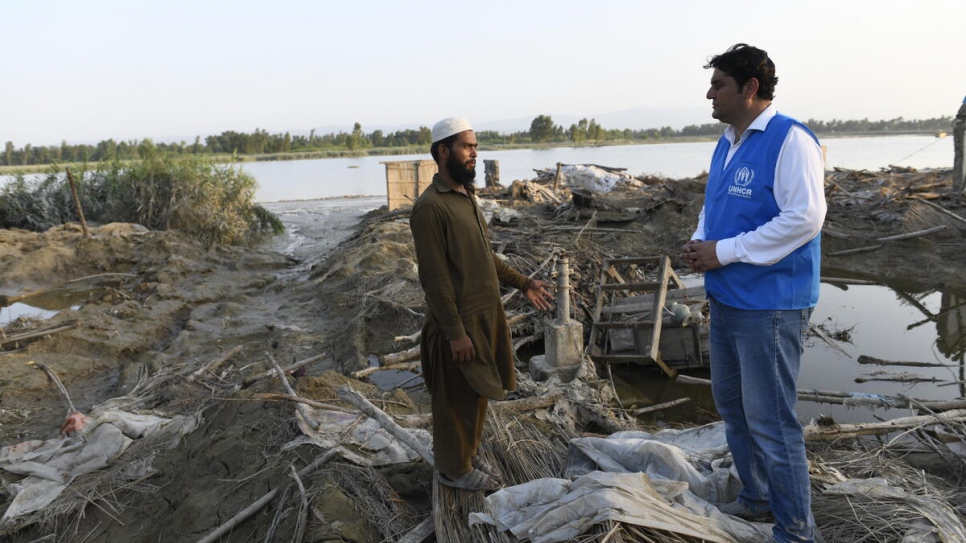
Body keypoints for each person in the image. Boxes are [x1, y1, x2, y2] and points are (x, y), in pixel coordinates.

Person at [680, 44, 827, 542]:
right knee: (734, 408)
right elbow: (715, 204)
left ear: (750, 89)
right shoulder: (727, 140)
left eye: (718, 84)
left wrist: (726, 251)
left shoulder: (791, 140)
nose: (709, 93)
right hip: (728, 298)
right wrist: (703, 242)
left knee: (772, 421)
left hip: (770, 306)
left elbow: (805, 218)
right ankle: (757, 496)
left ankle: (795, 530)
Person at [410, 117, 555, 491]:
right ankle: (454, 471)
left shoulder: (466, 197)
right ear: (443, 151)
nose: (474, 153)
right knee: (454, 402)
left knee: (476, 394)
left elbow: (485, 257)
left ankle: (468, 457)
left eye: (475, 146)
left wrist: (524, 283)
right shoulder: (431, 208)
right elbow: (435, 278)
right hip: (457, 323)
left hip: (485, 316)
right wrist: (455, 332)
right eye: (466, 146)